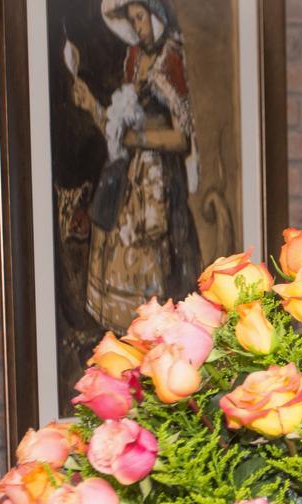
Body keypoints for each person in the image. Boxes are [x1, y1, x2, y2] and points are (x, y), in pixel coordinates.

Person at [70, 0, 201, 331]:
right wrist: (93, 107)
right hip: (128, 186)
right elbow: (119, 135)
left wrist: (139, 140)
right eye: (132, 20)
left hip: (158, 187)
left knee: (157, 294)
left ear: (157, 16)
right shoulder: (133, 59)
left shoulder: (170, 60)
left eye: (141, 18)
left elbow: (182, 139)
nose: (138, 27)